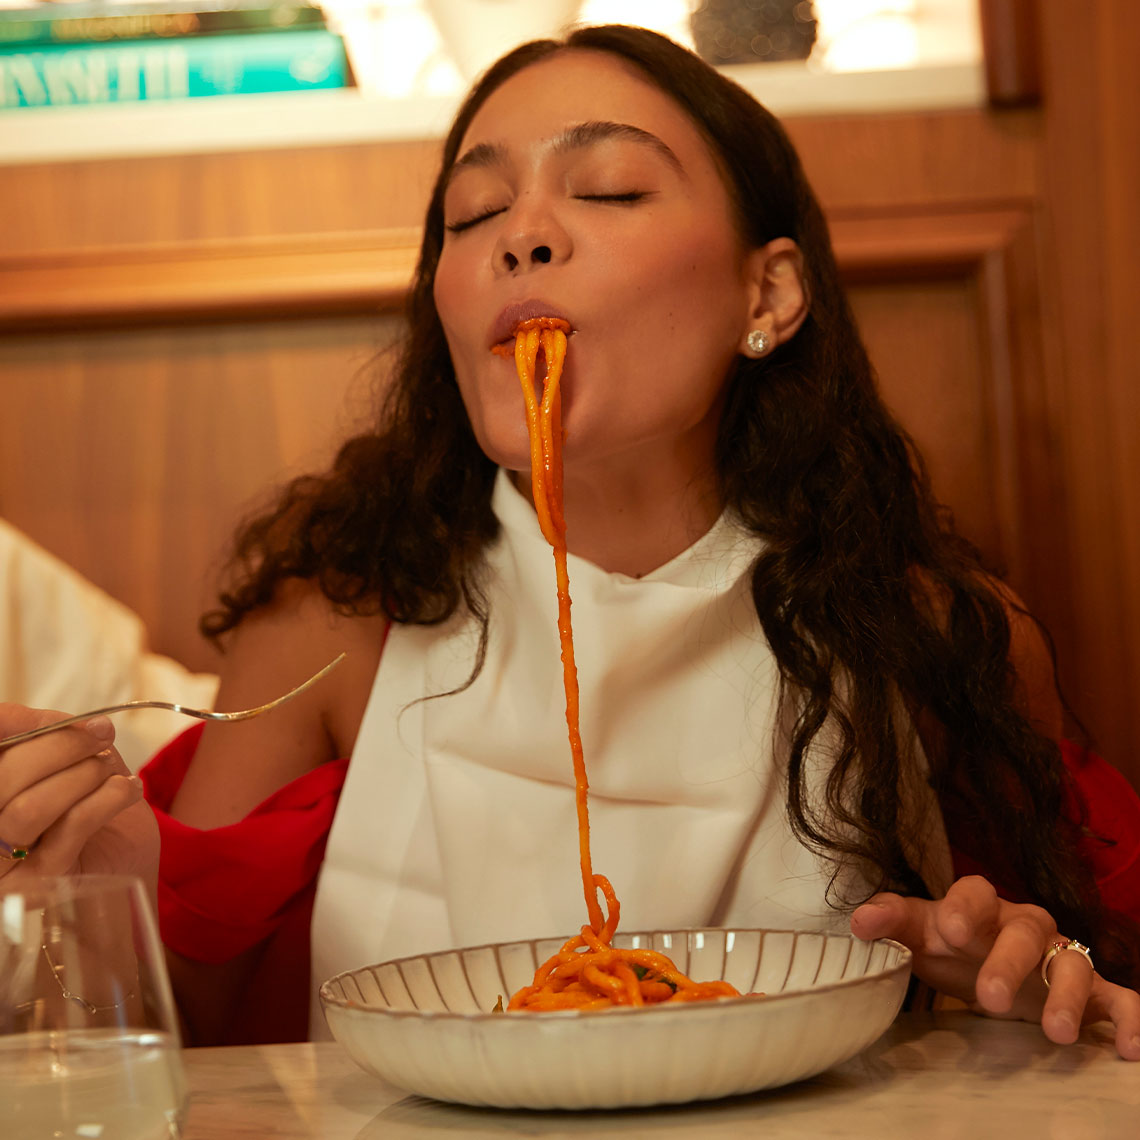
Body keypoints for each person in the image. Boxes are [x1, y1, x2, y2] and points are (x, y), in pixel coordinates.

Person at [1, 25, 1138, 1056]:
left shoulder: (927, 632)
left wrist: (1027, 971)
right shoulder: (334, 628)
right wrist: (90, 895)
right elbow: (180, 1038)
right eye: (474, 214)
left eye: (608, 188)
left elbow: (1083, 992)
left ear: (771, 290)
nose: (525, 237)